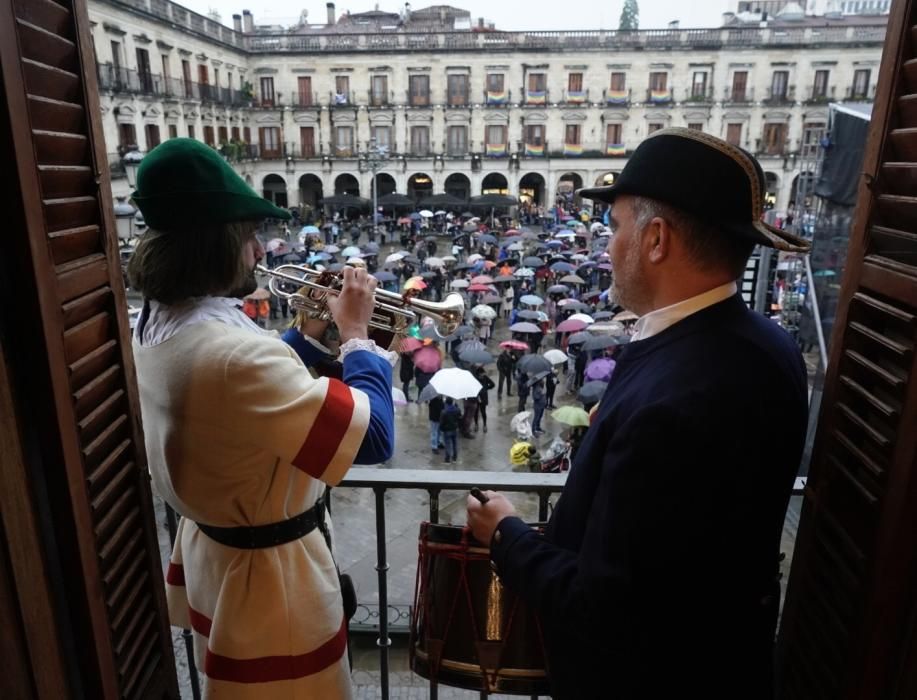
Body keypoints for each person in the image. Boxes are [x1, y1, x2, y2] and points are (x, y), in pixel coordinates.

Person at [466, 128, 811, 699]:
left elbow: (607, 606)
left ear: (655, 239)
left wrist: (506, 535)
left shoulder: (678, 399)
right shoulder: (769, 345)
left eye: (616, 226)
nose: (608, 245)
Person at [127, 138, 396, 699]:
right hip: (272, 585)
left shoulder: (157, 322)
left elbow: (234, 396)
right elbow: (373, 438)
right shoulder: (230, 354)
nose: (258, 251)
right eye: (249, 236)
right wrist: (356, 338)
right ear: (219, 245)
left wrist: (304, 335)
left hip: (220, 557)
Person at [473, 366, 495, 433]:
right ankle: (476, 424)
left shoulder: (485, 378)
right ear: (479, 373)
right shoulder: (475, 379)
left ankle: (484, 425)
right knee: (476, 412)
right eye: (482, 373)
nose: (483, 374)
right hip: (477, 397)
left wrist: (486, 388)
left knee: (483, 412)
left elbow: (493, 384)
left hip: (483, 398)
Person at [439, 397, 461, 463]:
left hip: (447, 430)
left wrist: (442, 429)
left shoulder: (444, 411)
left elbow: (441, 422)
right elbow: (460, 417)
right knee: (455, 444)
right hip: (455, 429)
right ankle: (454, 458)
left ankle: (447, 459)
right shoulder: (457, 410)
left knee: (448, 445)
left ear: (446, 403)